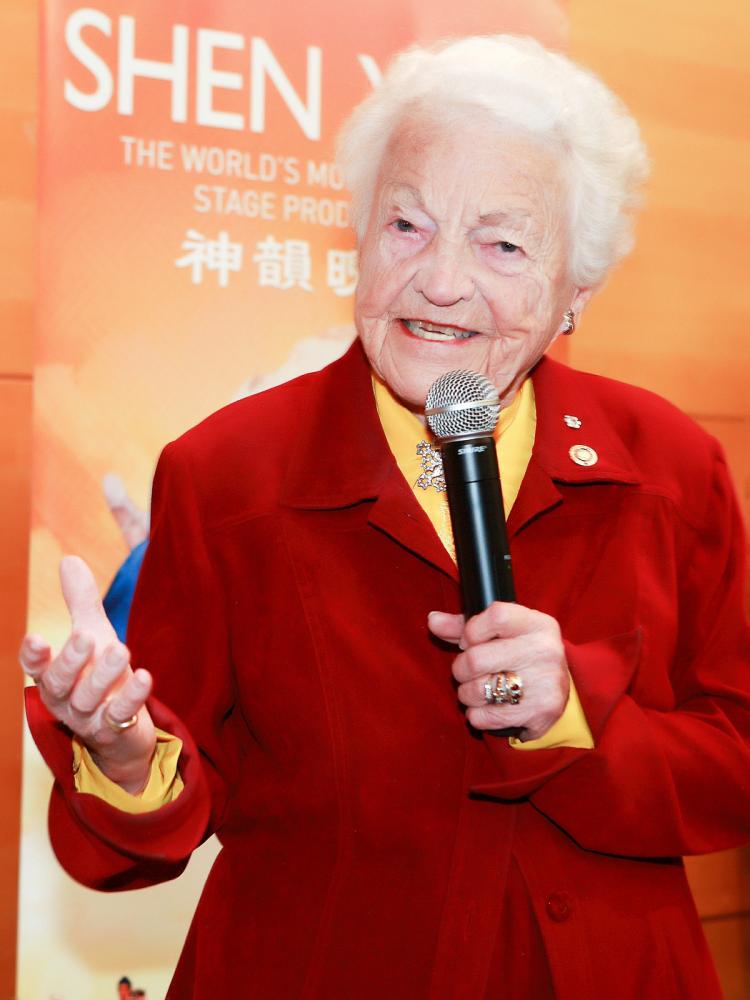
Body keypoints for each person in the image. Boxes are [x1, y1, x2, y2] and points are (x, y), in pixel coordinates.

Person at [19, 35, 750, 999]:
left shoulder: (669, 466)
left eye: (502, 243)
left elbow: (732, 762)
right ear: (359, 237)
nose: (442, 281)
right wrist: (119, 749)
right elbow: (148, 834)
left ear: (577, 291)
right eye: (406, 224)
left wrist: (575, 716)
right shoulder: (225, 474)